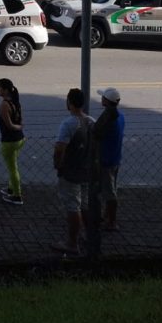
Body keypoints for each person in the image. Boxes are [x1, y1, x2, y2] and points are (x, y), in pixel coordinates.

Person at [52, 88, 94, 255]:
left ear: (69, 103)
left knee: (72, 206)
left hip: (71, 172)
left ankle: (72, 242)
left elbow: (60, 148)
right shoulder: (91, 121)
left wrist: (58, 165)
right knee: (85, 204)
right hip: (87, 170)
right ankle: (89, 235)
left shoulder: (68, 124)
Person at [94, 87, 125, 232]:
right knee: (109, 189)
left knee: (110, 193)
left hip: (106, 160)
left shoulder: (108, 119)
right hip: (115, 158)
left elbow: (97, 134)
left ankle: (111, 222)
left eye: (103, 98)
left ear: (106, 101)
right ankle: (106, 216)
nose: (101, 99)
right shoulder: (120, 116)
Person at [0, 78, 25, 206]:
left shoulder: (4, 105)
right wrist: (20, 127)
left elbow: (9, 125)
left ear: (5, 90)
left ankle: (17, 195)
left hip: (9, 141)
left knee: (12, 168)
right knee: (13, 165)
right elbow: (20, 120)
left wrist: (18, 127)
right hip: (20, 139)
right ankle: (11, 188)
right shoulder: (15, 102)